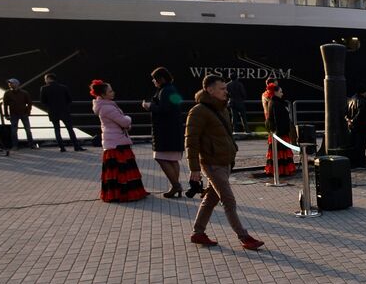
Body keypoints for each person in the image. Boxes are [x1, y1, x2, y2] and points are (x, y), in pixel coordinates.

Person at [184, 75, 264, 250]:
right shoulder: (198, 111)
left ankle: (198, 233)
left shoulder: (223, 109)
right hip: (211, 163)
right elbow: (191, 142)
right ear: (209, 90)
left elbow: (226, 135)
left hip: (225, 162)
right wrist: (194, 169)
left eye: (226, 89)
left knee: (210, 199)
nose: (226, 92)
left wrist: (233, 152)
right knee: (228, 200)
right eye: (222, 89)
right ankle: (244, 237)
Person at [90, 80, 147, 203]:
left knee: (115, 171)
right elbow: (124, 122)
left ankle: (114, 194)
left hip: (113, 140)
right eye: (110, 91)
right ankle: (127, 193)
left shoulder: (104, 106)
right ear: (103, 95)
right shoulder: (107, 107)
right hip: (117, 142)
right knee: (123, 170)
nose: (113, 92)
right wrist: (128, 118)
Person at [143, 67, 186, 197]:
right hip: (174, 129)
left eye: (154, 79)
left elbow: (164, 109)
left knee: (160, 157)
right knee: (173, 159)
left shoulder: (165, 91)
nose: (153, 81)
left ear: (161, 79)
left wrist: (149, 106)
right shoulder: (171, 89)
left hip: (165, 131)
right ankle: (175, 187)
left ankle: (176, 186)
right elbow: (174, 106)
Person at [261, 81, 297, 176]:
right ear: (276, 92)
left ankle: (282, 171)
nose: (282, 93)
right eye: (280, 92)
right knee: (280, 154)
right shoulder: (275, 103)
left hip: (280, 133)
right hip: (279, 134)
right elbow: (277, 120)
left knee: (282, 154)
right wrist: (281, 132)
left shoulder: (277, 102)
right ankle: (281, 171)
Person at [40, 74, 83, 152]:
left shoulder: (44, 88)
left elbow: (43, 101)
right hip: (64, 111)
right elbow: (69, 99)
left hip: (53, 112)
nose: (45, 81)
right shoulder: (63, 87)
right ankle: (76, 146)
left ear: (49, 79)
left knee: (57, 129)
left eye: (45, 79)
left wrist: (50, 106)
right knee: (70, 129)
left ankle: (62, 147)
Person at [1, 78, 36, 148]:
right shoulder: (7, 93)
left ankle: (31, 144)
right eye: (9, 83)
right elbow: (5, 105)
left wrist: (28, 111)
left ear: (17, 84)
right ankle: (15, 145)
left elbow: (29, 103)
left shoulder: (24, 93)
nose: (9, 84)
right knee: (14, 131)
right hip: (13, 114)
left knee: (28, 130)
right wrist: (6, 115)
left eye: (11, 83)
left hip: (23, 113)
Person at [346, 90, 366, 168]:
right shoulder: (362, 101)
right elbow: (361, 114)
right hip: (362, 127)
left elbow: (345, 112)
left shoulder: (351, 100)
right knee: (362, 145)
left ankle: (354, 162)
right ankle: (361, 163)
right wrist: (354, 120)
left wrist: (349, 120)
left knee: (354, 145)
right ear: (363, 92)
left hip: (352, 127)